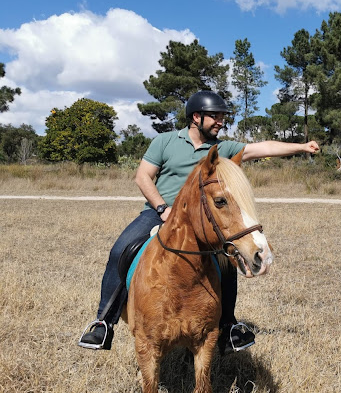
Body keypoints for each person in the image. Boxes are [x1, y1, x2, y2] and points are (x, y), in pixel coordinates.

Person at [79, 90, 320, 352]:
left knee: (226, 263)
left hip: (203, 218)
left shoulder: (222, 149)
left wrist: (301, 147)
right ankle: (104, 322)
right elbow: (143, 177)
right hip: (159, 211)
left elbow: (263, 148)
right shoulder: (165, 142)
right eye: (215, 116)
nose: (221, 122)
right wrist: (162, 208)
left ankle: (229, 326)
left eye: (222, 117)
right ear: (196, 117)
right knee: (121, 250)